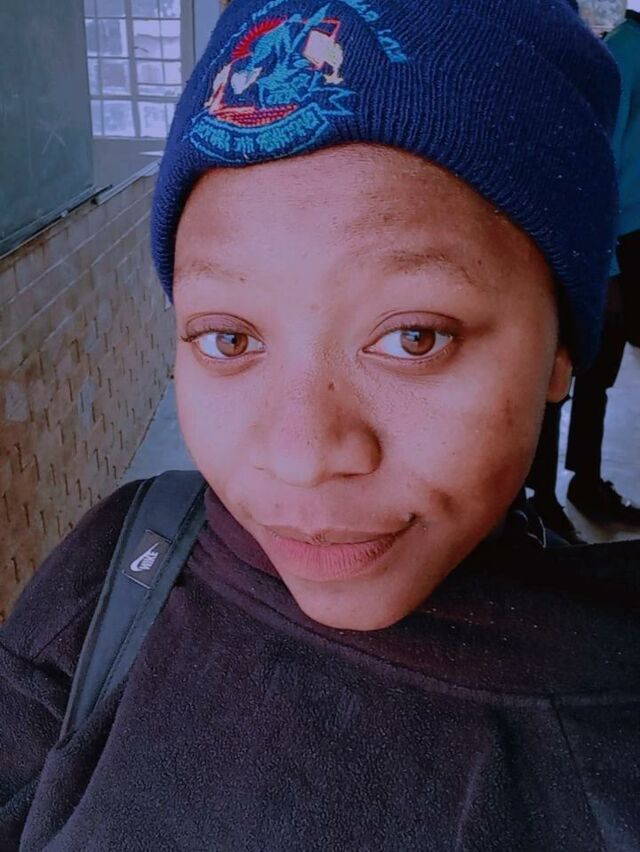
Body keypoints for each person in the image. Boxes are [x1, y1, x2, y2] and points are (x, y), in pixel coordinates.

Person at [1, 1, 639, 849]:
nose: (300, 457)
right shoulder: (115, 577)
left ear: (561, 348)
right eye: (229, 339)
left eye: (415, 337)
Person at [564, 5, 640, 523]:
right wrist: (608, 268)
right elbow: (601, 163)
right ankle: (584, 481)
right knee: (596, 372)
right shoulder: (623, 54)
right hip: (621, 239)